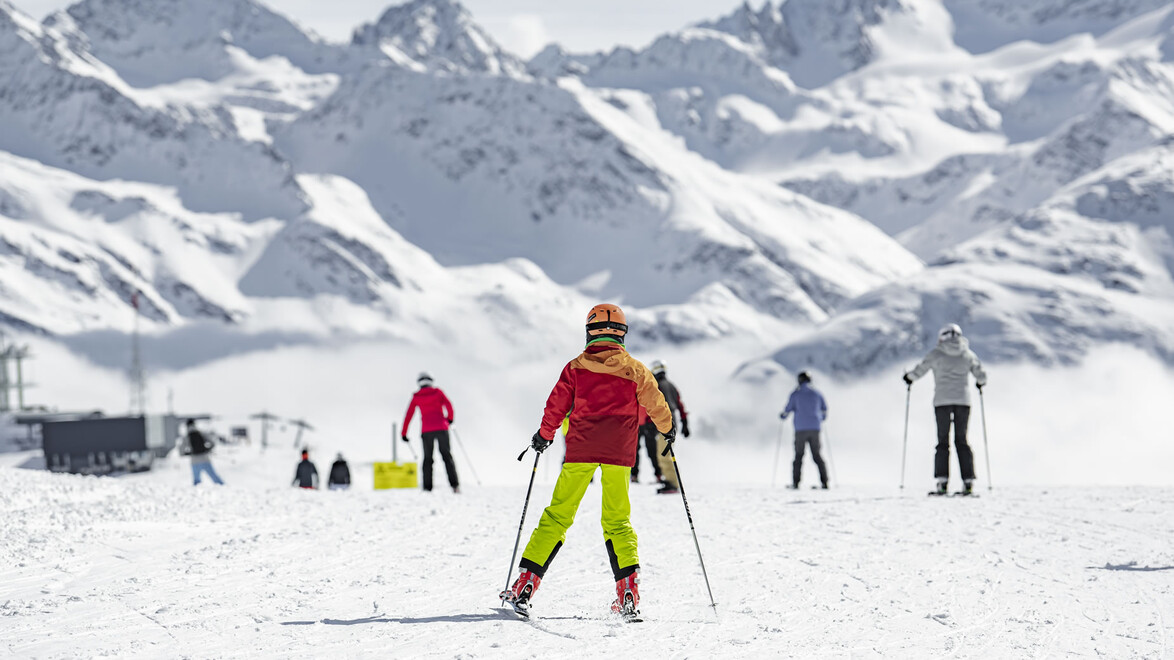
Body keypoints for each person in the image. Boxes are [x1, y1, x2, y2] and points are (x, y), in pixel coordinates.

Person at [500, 303, 674, 620]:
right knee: (618, 521)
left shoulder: (576, 367)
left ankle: (525, 584)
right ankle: (628, 594)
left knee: (557, 516)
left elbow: (556, 404)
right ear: (622, 333)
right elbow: (656, 402)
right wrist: (668, 430)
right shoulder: (635, 369)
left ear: (588, 332)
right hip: (620, 454)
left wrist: (544, 434)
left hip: (581, 449)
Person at [904, 323, 988, 496]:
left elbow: (920, 370)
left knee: (943, 441)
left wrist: (909, 378)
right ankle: (968, 482)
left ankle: (942, 482)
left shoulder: (936, 354)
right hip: (964, 402)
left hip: (942, 401)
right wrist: (980, 383)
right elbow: (981, 375)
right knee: (962, 440)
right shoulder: (968, 354)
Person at [634, 360, 689, 493]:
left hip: (663, 424)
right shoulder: (671, 385)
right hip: (671, 422)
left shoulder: (657, 385)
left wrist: (647, 422)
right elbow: (679, 405)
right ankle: (670, 480)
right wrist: (684, 422)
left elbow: (653, 406)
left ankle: (672, 483)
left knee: (664, 455)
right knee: (664, 453)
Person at [402, 372, 460, 493]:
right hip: (442, 428)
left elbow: (409, 415)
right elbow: (449, 405)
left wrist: (404, 433)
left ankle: (427, 487)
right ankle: (454, 485)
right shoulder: (438, 392)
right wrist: (449, 419)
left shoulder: (417, 397)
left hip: (426, 430)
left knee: (428, 458)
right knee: (446, 456)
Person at [780, 371, 828, 489]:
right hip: (815, 428)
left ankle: (796, 483)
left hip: (800, 429)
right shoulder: (817, 393)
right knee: (817, 455)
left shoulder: (796, 394)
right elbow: (824, 409)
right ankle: (825, 482)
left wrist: (783, 416)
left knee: (799, 456)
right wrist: (820, 419)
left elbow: (788, 409)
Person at [186, 418, 224, 486]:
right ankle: (224, 487)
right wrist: (207, 449)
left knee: (197, 480)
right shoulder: (201, 433)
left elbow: (181, 449)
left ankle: (197, 493)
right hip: (205, 458)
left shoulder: (187, 436)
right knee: (214, 476)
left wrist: (187, 453)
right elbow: (212, 442)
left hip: (194, 460)